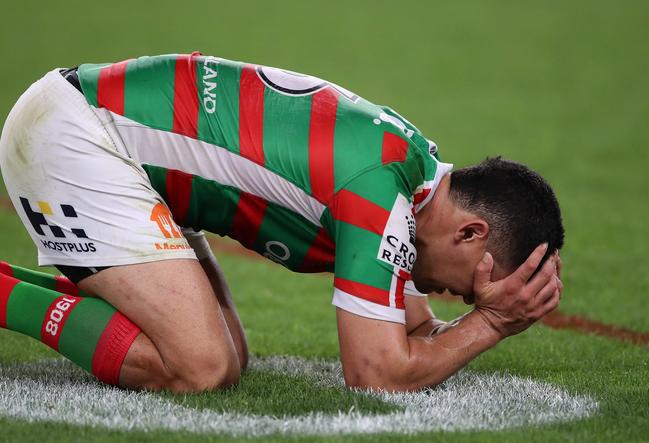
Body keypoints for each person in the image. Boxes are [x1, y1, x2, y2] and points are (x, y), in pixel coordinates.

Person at [0, 53, 564, 393]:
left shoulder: (411, 181)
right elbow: (375, 372)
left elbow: (415, 336)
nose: (446, 294)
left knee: (227, 355)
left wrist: (490, 316)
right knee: (200, 366)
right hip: (79, 137)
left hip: (112, 141)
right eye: (465, 287)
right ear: (469, 232)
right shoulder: (377, 187)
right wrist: (490, 325)